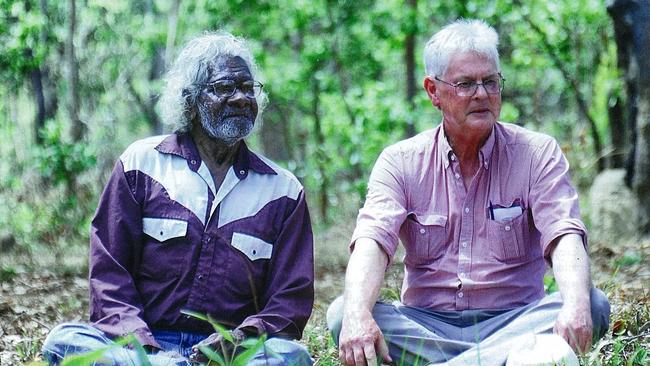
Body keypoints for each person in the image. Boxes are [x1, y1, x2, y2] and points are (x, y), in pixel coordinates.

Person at [327, 19, 610, 366]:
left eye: (490, 82)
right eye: (465, 84)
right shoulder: (400, 161)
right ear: (433, 91)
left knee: (591, 304)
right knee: (344, 313)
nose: (482, 94)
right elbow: (372, 241)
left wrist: (576, 306)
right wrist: (358, 315)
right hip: (426, 328)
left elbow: (565, 235)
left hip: (515, 322)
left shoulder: (537, 153)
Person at [41, 32, 314, 366]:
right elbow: (110, 276)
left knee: (293, 357)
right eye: (224, 87)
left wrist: (240, 339)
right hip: (144, 347)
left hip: (230, 356)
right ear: (192, 101)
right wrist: (148, 350)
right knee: (63, 341)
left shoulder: (283, 191)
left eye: (248, 87)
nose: (242, 98)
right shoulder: (141, 164)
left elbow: (290, 300)